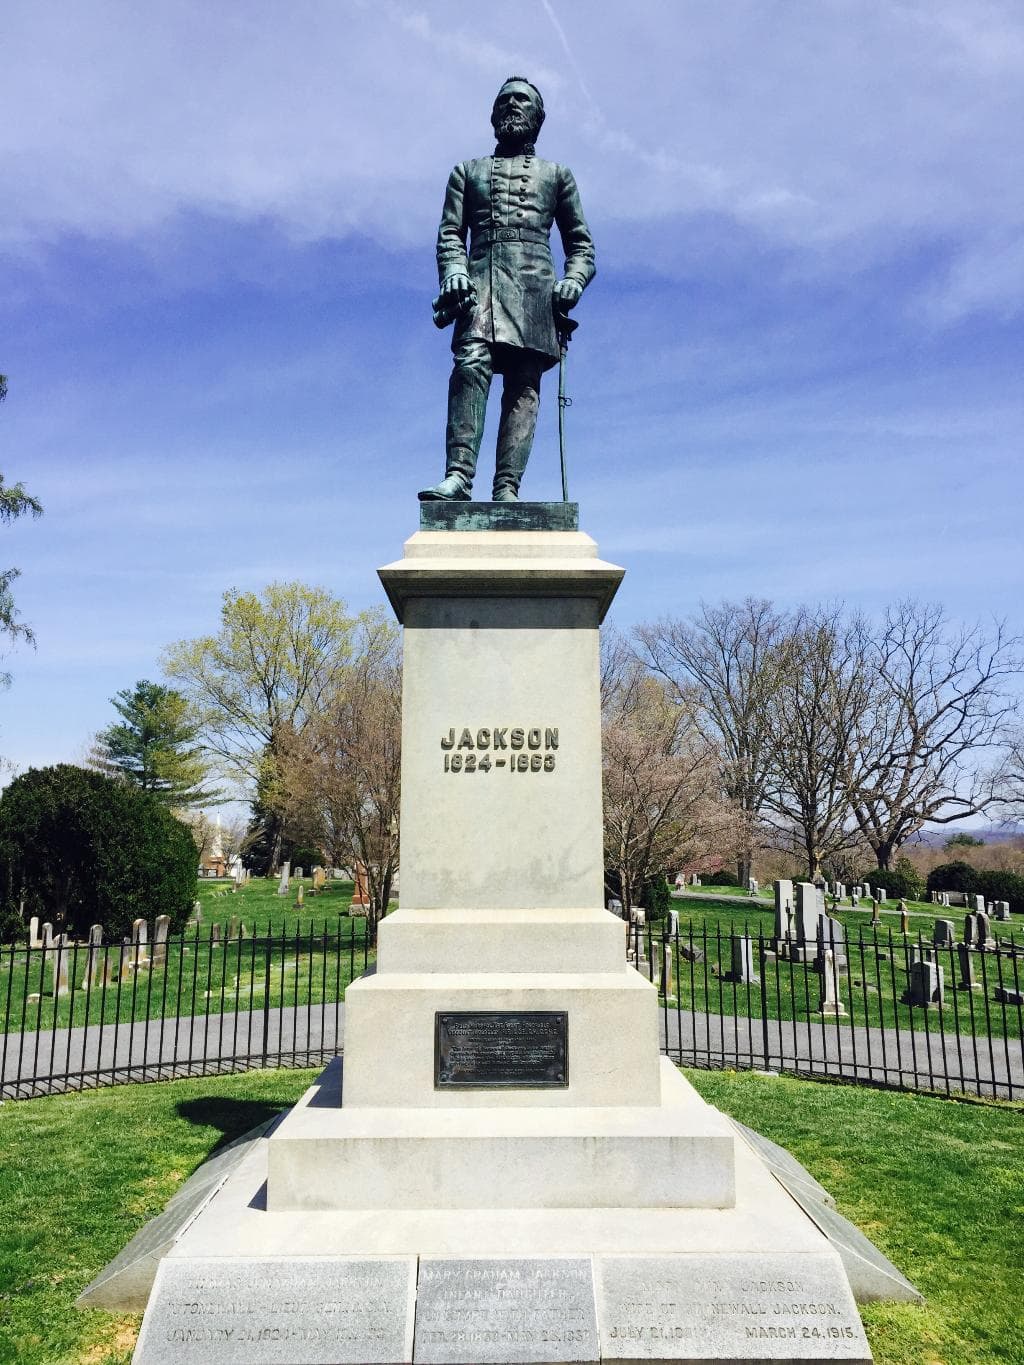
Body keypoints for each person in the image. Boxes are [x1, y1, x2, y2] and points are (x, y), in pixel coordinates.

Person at [419, 77, 595, 503]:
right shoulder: (467, 172)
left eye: (522, 99)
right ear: (493, 114)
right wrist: (454, 271)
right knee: (470, 365)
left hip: (535, 289)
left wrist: (573, 280)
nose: (512, 105)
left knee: (523, 384)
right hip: (479, 284)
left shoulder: (557, 175)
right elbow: (450, 234)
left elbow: (581, 246)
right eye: (505, 100)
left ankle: (507, 488)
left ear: (538, 117)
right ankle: (458, 476)